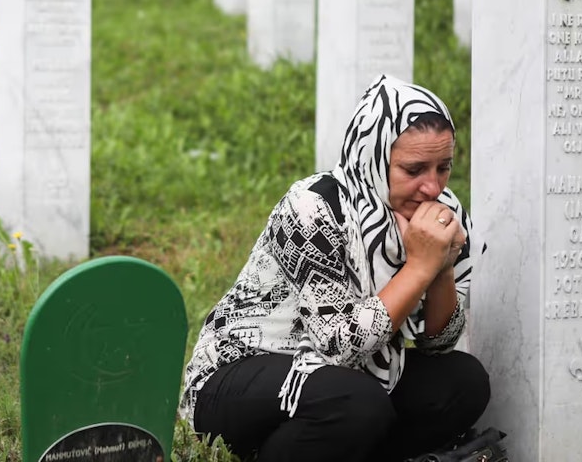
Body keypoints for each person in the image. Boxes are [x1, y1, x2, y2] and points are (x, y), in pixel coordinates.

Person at [179, 75, 490, 462]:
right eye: (414, 170)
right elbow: (338, 346)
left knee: (464, 382)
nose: (432, 187)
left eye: (443, 167)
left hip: (352, 381)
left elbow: (438, 343)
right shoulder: (312, 208)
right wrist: (419, 268)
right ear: (371, 157)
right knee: (356, 403)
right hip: (239, 378)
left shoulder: (441, 213)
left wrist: (442, 267)